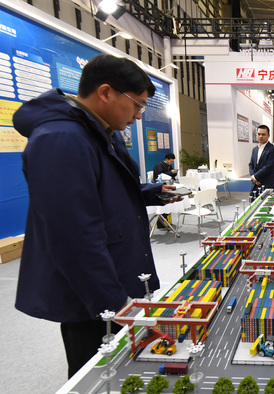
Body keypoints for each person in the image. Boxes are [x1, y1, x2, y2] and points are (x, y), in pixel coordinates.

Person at [12, 54, 180, 378]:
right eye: (136, 104)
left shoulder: (101, 130)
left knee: (125, 372)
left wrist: (150, 192)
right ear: (105, 92)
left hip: (116, 280)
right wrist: (118, 308)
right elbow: (75, 240)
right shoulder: (61, 139)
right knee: (98, 375)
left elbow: (104, 191)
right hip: (92, 298)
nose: (139, 115)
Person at [249, 124, 274, 198]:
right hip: (256, 184)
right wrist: (254, 179)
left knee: (267, 207)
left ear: (268, 135)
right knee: (253, 204)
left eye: (263, 134)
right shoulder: (255, 149)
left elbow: (269, 166)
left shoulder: (272, 149)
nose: (260, 136)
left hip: (267, 183)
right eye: (259, 134)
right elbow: (251, 164)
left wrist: (255, 176)